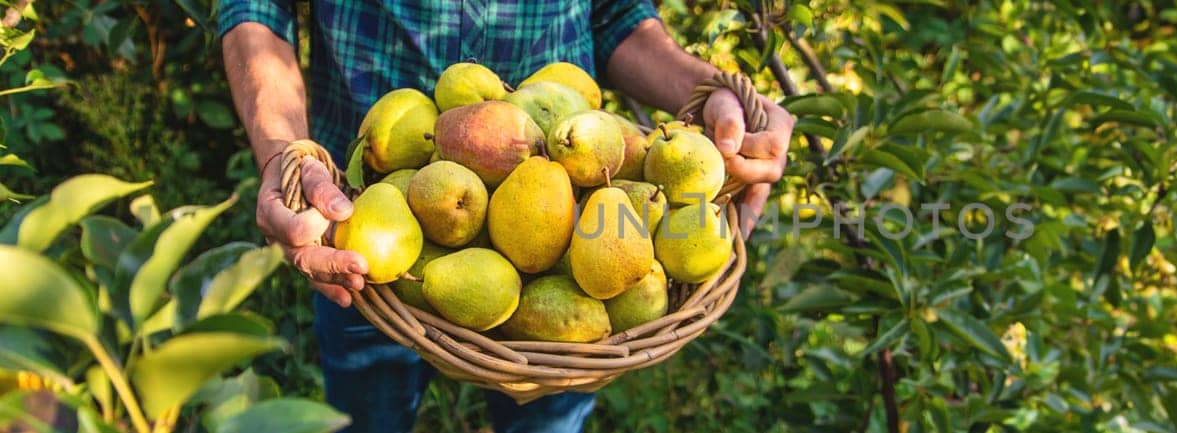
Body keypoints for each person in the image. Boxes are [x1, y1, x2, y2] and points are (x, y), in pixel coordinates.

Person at [218, 2, 793, 432]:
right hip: (352, 213)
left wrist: (711, 94)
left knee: (546, 416)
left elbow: (619, 16)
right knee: (365, 413)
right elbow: (255, 9)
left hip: (568, 243)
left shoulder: (602, 189)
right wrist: (283, 151)